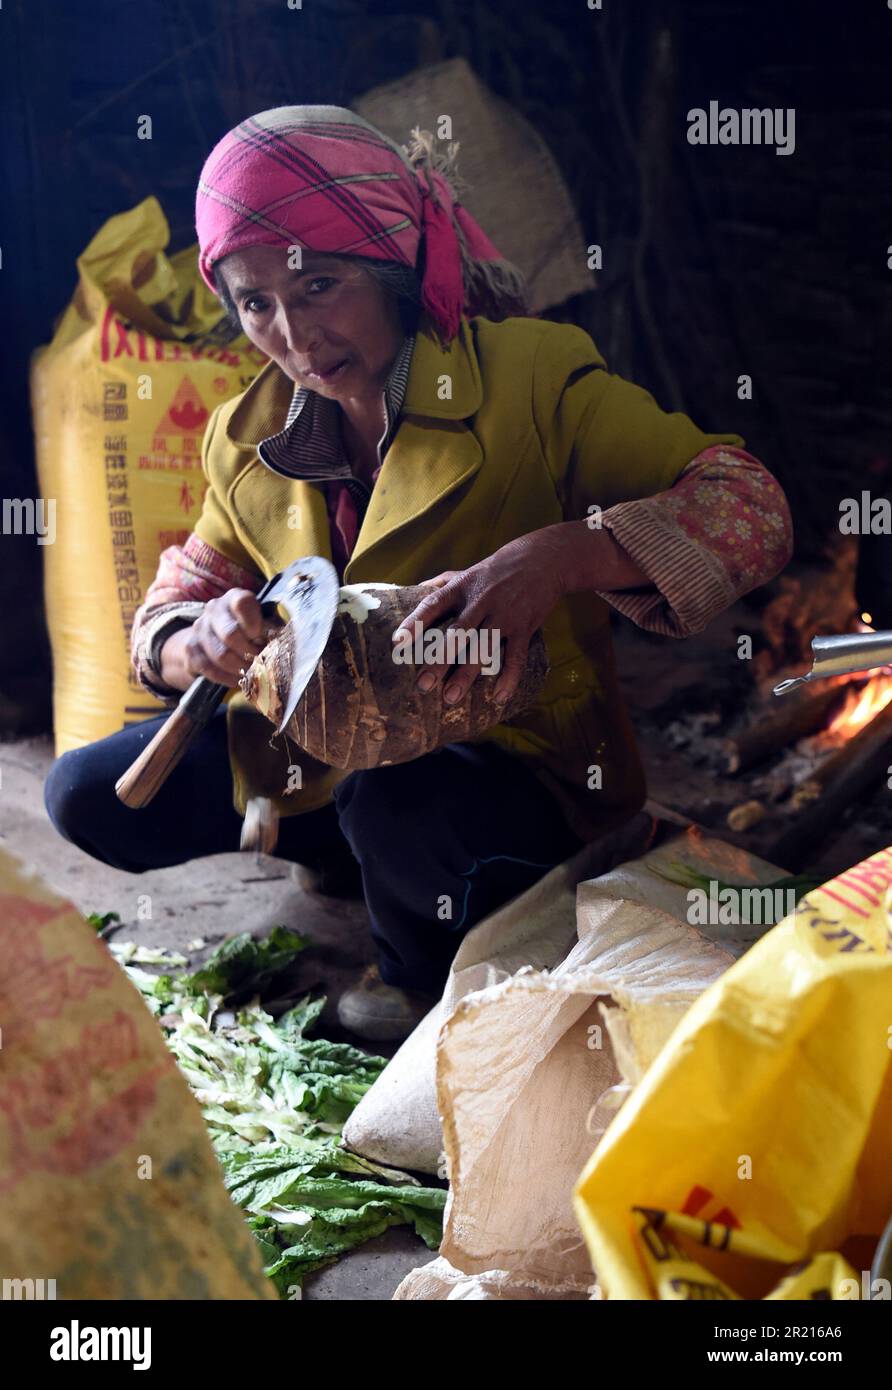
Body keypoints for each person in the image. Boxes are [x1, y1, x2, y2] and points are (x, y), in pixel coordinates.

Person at [45, 104, 793, 1041]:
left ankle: (411, 978)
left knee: (393, 795)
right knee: (85, 796)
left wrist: (562, 553)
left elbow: (749, 503)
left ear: (395, 268)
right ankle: (353, 855)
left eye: (321, 284)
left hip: (510, 770)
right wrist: (194, 639)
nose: (294, 334)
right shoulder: (250, 432)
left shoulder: (530, 379)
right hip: (318, 754)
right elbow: (180, 593)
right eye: (257, 302)